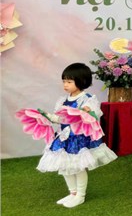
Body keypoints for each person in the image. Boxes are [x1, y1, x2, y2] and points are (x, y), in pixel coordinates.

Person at [37, 63, 117, 208]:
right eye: (64, 81)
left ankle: (80, 195)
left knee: (78, 167)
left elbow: (94, 115)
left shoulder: (87, 99)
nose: (65, 85)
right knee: (64, 166)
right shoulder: (63, 100)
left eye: (69, 82)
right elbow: (61, 119)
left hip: (78, 139)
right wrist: (48, 117)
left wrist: (87, 111)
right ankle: (72, 192)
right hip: (64, 138)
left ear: (81, 81)